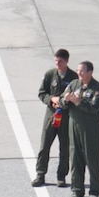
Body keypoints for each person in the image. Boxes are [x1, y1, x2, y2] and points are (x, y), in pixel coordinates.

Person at [65, 61, 99, 197]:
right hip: (74, 126)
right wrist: (65, 100)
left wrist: (78, 102)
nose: (79, 74)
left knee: (92, 158)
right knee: (75, 157)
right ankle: (77, 189)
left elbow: (95, 108)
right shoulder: (73, 85)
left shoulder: (98, 88)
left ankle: (94, 190)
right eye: (78, 71)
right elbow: (62, 99)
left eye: (82, 71)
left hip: (90, 130)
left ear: (90, 72)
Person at [33, 48, 74, 187]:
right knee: (44, 146)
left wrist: (64, 101)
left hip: (66, 118)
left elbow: (76, 97)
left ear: (67, 61)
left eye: (60, 61)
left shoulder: (73, 78)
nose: (58, 64)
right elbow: (42, 93)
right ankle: (40, 174)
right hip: (51, 116)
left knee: (65, 148)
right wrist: (52, 99)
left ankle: (61, 176)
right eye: (56, 61)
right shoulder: (50, 75)